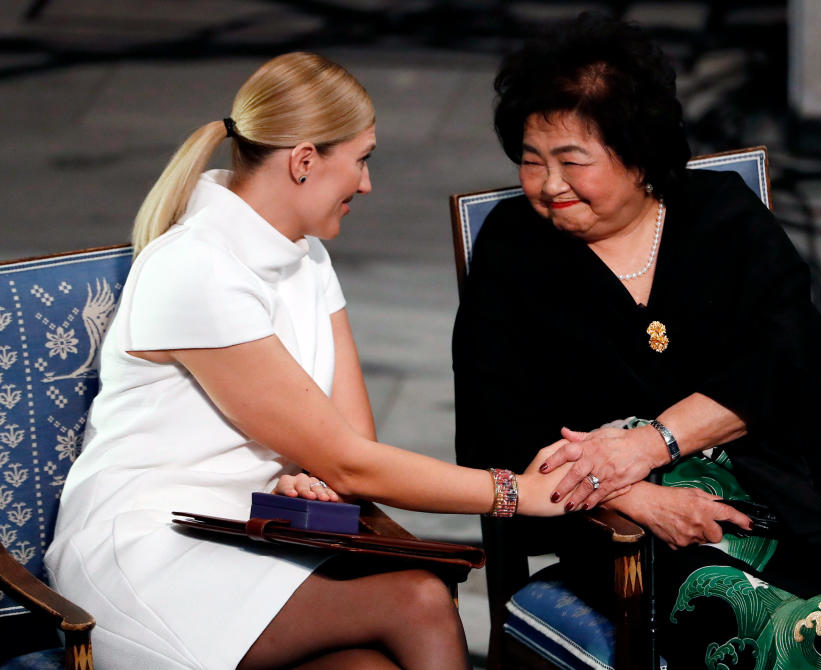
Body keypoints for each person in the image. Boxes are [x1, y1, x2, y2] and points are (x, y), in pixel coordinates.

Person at [45, 51, 574, 670]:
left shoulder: (309, 258)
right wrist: (516, 493)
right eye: (362, 159)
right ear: (303, 161)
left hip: (253, 535)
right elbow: (354, 465)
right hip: (149, 555)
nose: (368, 183)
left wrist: (308, 475)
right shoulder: (197, 271)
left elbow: (350, 447)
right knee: (417, 600)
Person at [452, 14, 821, 669]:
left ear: (637, 154)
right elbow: (500, 422)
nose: (548, 185)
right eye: (530, 159)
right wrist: (632, 493)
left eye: (572, 162)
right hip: (632, 524)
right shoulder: (514, 249)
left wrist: (649, 441)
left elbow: (789, 363)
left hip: (795, 489)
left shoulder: (721, 216)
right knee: (784, 641)